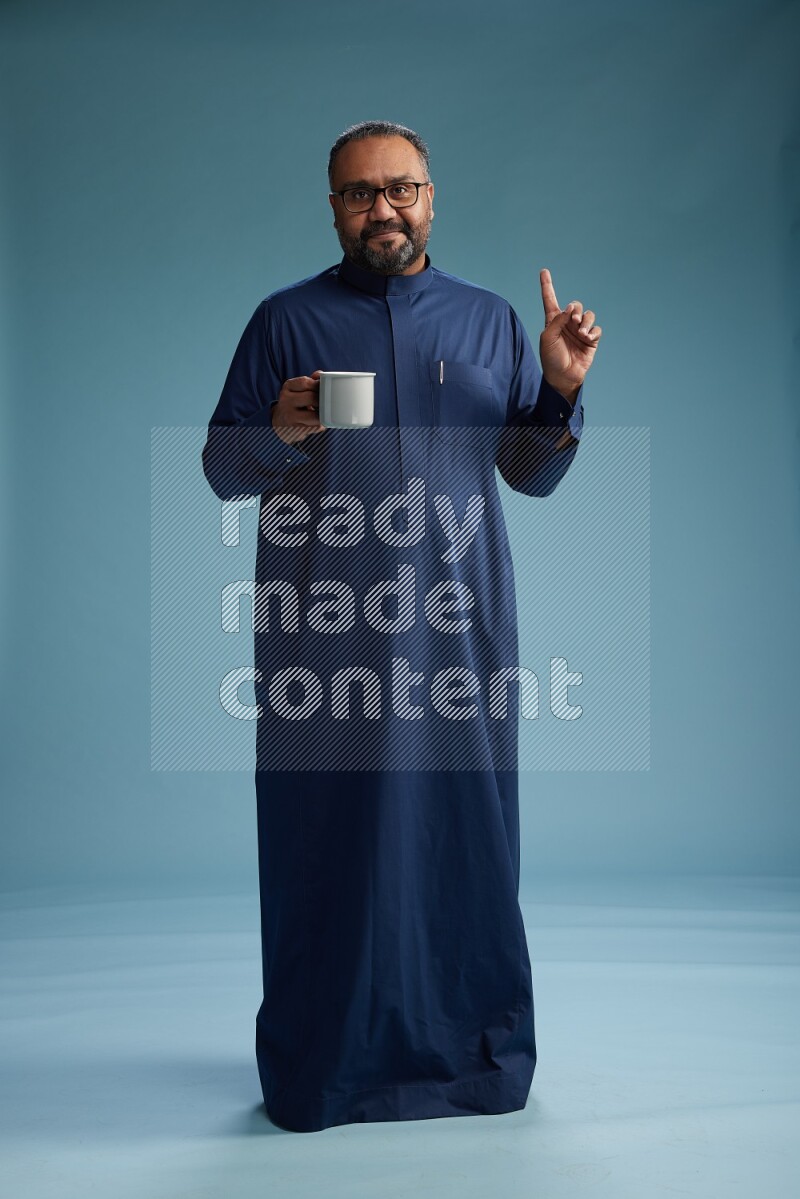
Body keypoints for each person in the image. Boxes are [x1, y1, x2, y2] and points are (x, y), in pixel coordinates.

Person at [201, 120, 601, 1133]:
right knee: (322, 838)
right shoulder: (285, 322)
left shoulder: (487, 320)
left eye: (399, 188)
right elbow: (222, 469)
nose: (381, 208)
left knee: (464, 837)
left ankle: (474, 1055)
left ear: (430, 197)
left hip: (460, 632)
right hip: (324, 634)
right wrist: (276, 430)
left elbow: (530, 472)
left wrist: (558, 389)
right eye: (358, 193)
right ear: (333, 208)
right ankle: (323, 1067)